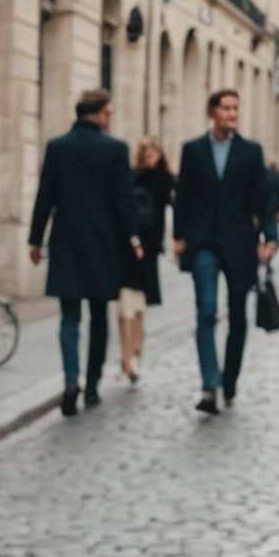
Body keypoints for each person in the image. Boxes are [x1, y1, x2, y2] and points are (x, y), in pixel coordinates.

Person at [27, 88, 141, 417]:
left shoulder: (58, 146)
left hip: (66, 241)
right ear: (101, 114)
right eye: (110, 113)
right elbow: (124, 200)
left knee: (69, 316)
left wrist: (36, 239)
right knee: (99, 316)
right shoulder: (115, 149)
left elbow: (45, 195)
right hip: (103, 244)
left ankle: (70, 381)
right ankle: (92, 385)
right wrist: (134, 239)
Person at [173, 88, 279, 415]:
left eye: (236, 108)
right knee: (205, 310)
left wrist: (270, 236)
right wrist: (178, 236)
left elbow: (264, 198)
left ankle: (229, 379)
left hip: (240, 243)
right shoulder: (193, 150)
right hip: (204, 242)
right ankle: (210, 385)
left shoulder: (250, 151)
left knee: (237, 315)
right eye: (226, 108)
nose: (232, 114)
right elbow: (183, 196)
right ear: (212, 112)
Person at [118, 137, 173, 384]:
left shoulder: (165, 180)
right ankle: (127, 356)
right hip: (129, 247)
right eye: (146, 151)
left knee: (141, 304)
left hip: (150, 250)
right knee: (126, 304)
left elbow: (178, 206)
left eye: (154, 150)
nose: (150, 155)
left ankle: (135, 352)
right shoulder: (132, 177)